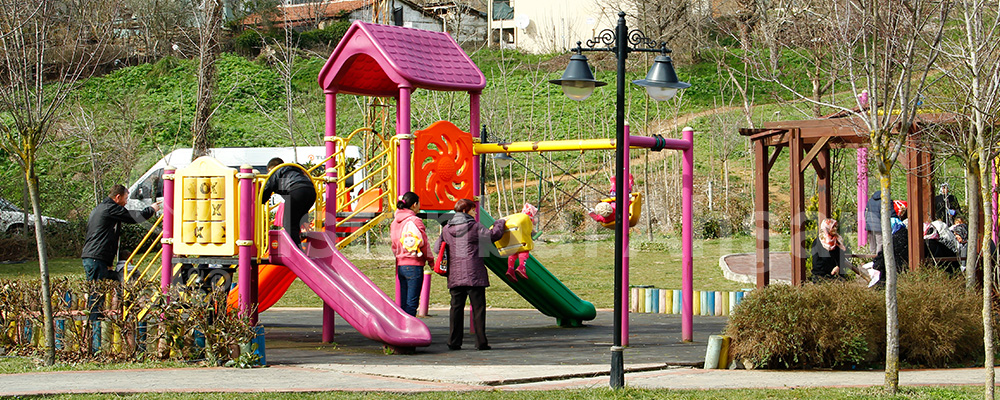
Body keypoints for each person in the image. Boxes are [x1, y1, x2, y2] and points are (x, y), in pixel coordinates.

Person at [435, 198, 505, 351]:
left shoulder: (446, 229)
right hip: (474, 275)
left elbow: (437, 248)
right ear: (465, 211)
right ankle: (481, 342)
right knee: (478, 308)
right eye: (473, 210)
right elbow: (493, 235)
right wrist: (500, 222)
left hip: (455, 275)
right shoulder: (474, 227)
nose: (475, 213)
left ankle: (454, 341)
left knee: (456, 308)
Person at [82, 184, 161, 318]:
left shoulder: (102, 208)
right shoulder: (110, 208)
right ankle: (95, 324)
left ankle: (97, 320)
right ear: (117, 197)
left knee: (99, 290)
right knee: (96, 294)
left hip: (95, 256)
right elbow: (133, 217)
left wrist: (108, 262)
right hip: (96, 256)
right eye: (125, 198)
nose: (126, 202)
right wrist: (151, 209)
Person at [389, 192, 433, 317]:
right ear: (414, 204)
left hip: (401, 265)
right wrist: (431, 261)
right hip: (414, 264)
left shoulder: (395, 222)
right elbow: (424, 244)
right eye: (419, 204)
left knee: (404, 301)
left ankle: (402, 325)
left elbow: (394, 245)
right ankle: (410, 326)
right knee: (412, 302)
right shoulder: (415, 221)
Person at [261, 157, 317, 247]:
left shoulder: (276, 171)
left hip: (296, 191)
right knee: (295, 222)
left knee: (289, 225)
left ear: (271, 168)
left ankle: (295, 250)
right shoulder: (293, 171)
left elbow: (267, 188)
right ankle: (298, 247)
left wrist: (259, 201)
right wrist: (305, 219)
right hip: (311, 191)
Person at [810, 219, 852, 283]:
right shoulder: (818, 242)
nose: (835, 229)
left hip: (836, 276)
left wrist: (838, 266)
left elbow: (841, 257)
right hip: (821, 277)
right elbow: (816, 262)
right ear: (827, 228)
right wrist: (831, 269)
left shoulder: (837, 241)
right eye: (833, 227)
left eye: (836, 227)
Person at [505, 203, 538, 282]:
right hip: (523, 242)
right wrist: (535, 232)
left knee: (513, 254)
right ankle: (521, 267)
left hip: (513, 241)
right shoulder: (528, 220)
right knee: (524, 252)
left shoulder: (519, 219)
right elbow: (531, 230)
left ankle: (510, 269)